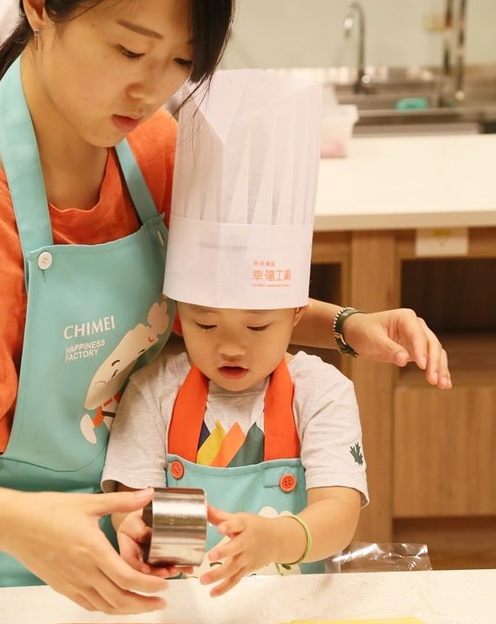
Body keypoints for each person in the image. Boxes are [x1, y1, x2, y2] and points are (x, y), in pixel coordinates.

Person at [0, 0, 449, 614]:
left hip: (146, 561)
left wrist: (345, 324)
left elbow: (213, 306)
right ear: (40, 6)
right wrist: (25, 527)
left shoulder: (156, 149)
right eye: (129, 51)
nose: (152, 90)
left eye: (181, 61)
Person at [102, 70, 369, 595]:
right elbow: (132, 504)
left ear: (296, 313)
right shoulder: (155, 391)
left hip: (292, 610)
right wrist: (136, 530)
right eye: (204, 323)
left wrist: (277, 538)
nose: (230, 345)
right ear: (178, 312)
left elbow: (339, 513)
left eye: (258, 325)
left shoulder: (320, 392)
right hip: (186, 606)